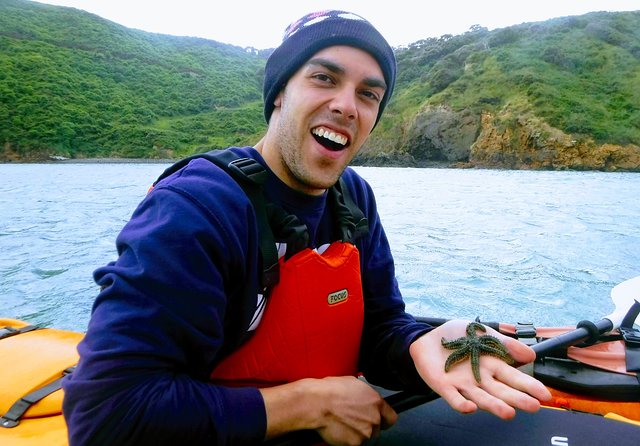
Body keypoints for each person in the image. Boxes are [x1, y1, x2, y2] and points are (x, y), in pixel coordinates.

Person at [62, 10, 550, 446]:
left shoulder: (351, 196)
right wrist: (308, 405)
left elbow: (378, 327)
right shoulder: (195, 210)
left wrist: (418, 344)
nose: (346, 105)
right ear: (279, 95)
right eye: (323, 78)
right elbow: (105, 413)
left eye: (368, 94)